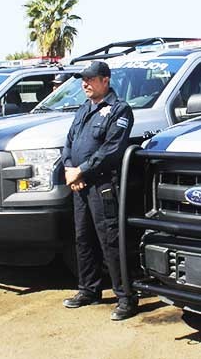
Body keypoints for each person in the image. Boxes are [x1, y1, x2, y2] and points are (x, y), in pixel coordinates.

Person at [61, 61, 137, 320]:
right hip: (80, 184)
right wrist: (71, 169)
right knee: (83, 239)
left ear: (105, 80)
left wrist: (81, 170)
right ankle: (89, 290)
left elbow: (111, 150)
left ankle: (125, 297)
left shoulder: (120, 110)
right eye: (83, 79)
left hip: (103, 186)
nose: (85, 84)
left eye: (91, 79)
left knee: (110, 241)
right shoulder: (83, 109)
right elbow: (69, 143)